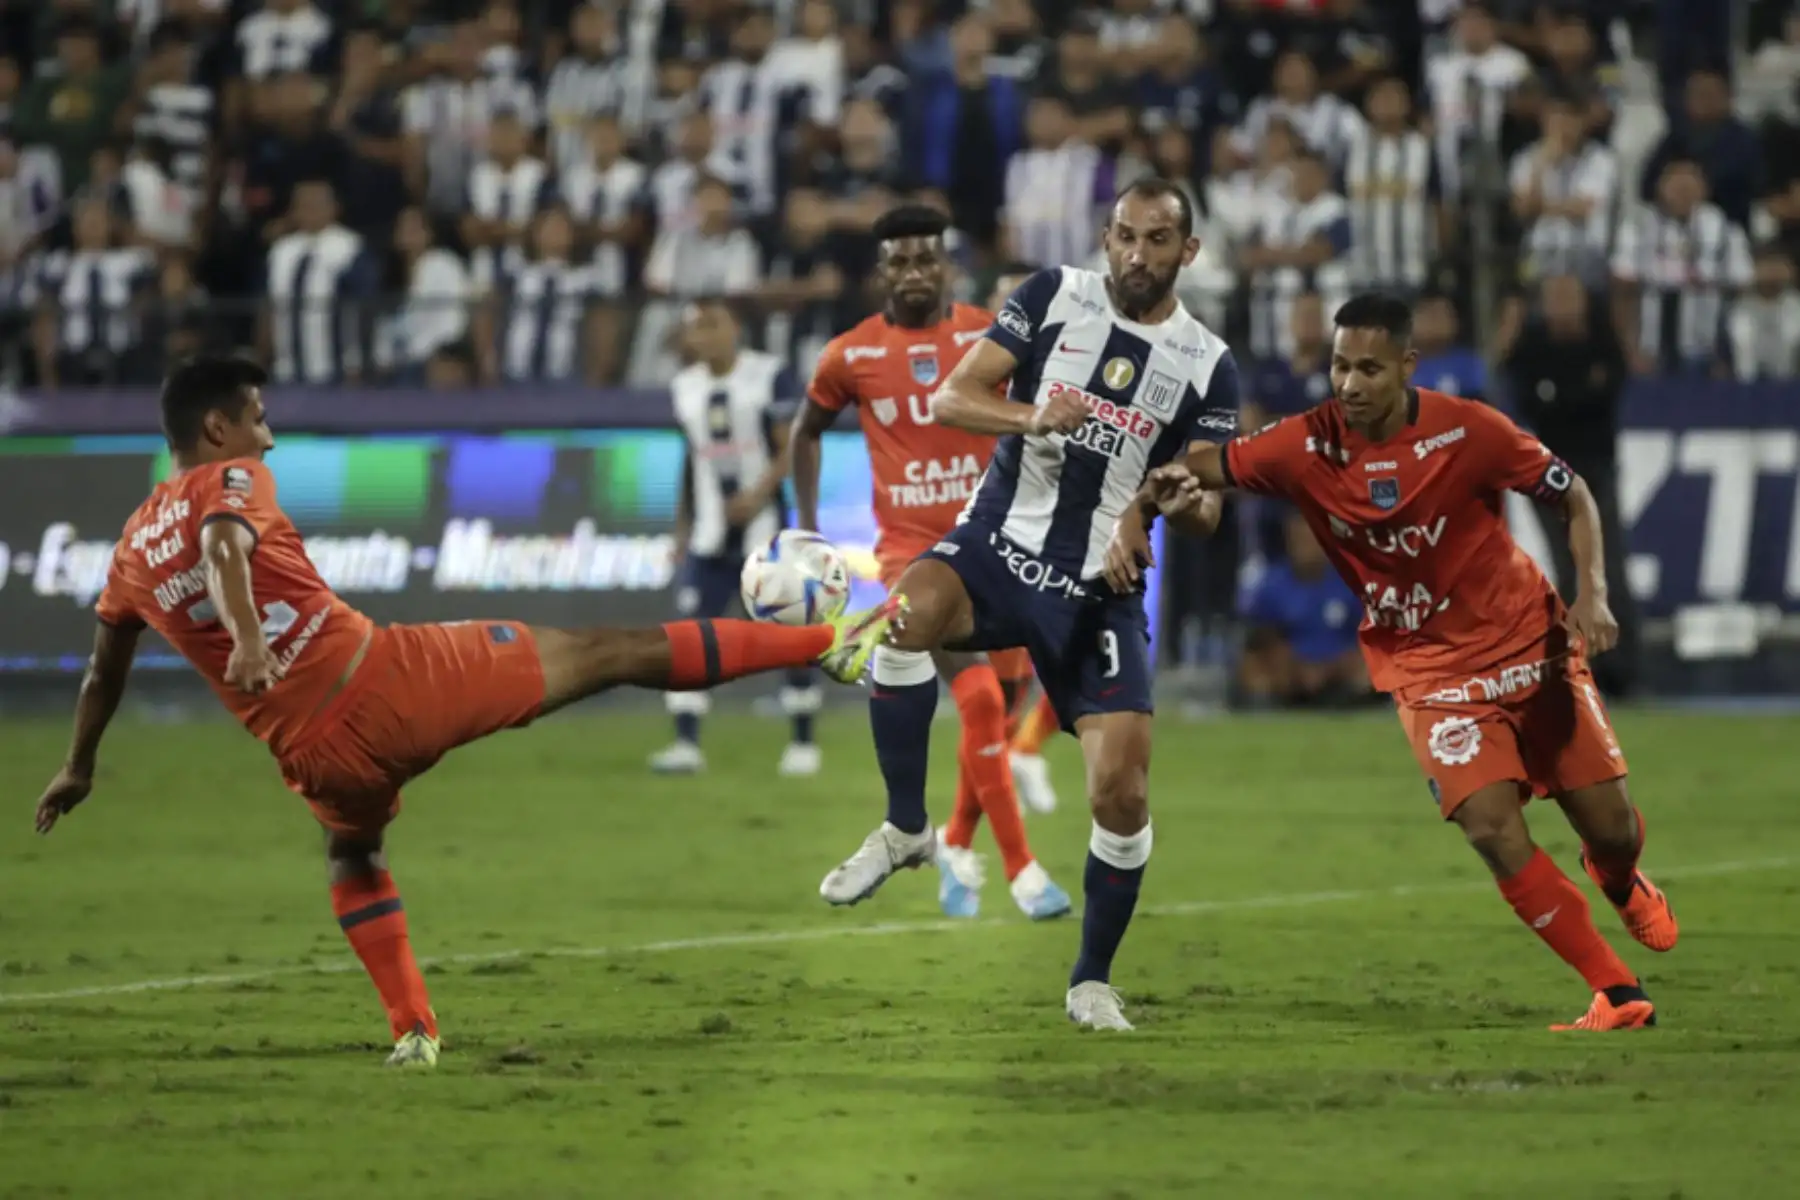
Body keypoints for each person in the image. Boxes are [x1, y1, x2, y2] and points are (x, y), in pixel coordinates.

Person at [30, 356, 897, 1068]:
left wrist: (79, 765)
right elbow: (224, 545)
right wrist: (250, 638)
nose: (270, 436)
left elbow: (103, 668)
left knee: (353, 850)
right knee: (610, 652)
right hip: (391, 683)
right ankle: (826, 642)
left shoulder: (131, 550)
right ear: (217, 430)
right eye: (257, 418)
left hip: (314, 756)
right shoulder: (230, 479)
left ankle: (414, 1029)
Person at [1109, 294, 1678, 1032]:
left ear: (1408, 366)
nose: (1349, 384)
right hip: (1429, 669)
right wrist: (1146, 506)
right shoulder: (1303, 445)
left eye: (1369, 369)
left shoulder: (1470, 430)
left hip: (1527, 643)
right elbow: (1198, 469)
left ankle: (1618, 877)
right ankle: (1615, 989)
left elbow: (1574, 497)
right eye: (1339, 366)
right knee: (1490, 828)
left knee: (1613, 828)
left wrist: (1593, 593)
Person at [824, 178, 1241, 1031]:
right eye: (1125, 235)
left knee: (1120, 794)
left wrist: (1175, 496)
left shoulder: (1208, 363)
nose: (1137, 254)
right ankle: (907, 830)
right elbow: (954, 397)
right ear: (1106, 236)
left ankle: (1091, 981)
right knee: (900, 621)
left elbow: (1209, 511)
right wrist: (1031, 418)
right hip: (997, 547)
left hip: (1097, 591)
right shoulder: (1053, 296)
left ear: (1188, 252)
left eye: (1158, 239)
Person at [792, 208, 1070, 921]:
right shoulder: (850, 355)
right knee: (980, 703)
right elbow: (806, 430)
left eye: (926, 259)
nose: (914, 273)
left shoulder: (989, 336)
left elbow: (1036, 413)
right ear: (881, 272)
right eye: (899, 262)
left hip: (996, 550)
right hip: (913, 558)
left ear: (946, 265)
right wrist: (811, 528)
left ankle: (954, 845)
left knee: (999, 713)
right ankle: (1023, 871)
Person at [652, 299, 823, 777]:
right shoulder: (684, 387)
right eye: (697, 328)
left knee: (787, 630)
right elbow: (692, 459)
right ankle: (686, 744)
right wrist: (681, 528)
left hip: (763, 524)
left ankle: (803, 743)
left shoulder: (769, 375)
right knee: (689, 637)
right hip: (709, 530)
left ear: (735, 329)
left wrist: (756, 495)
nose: (705, 336)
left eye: (714, 324)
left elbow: (790, 445)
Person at [984, 262, 1063, 818]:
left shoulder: (1068, 373)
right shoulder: (970, 375)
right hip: (991, 535)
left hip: (1056, 529)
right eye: (1004, 303)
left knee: (1081, 650)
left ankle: (1023, 751)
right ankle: (1007, 766)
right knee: (1001, 683)